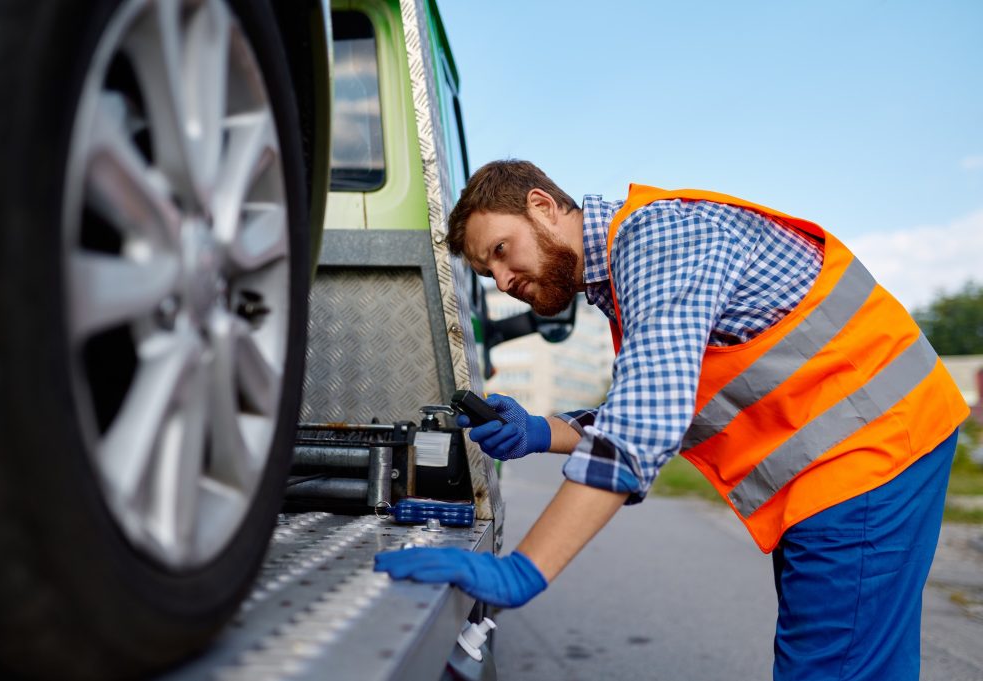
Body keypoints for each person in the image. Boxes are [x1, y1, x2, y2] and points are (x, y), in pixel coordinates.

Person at [374, 160, 969, 679]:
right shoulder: (628, 278)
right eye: (488, 274)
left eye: (501, 251)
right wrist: (539, 430)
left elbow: (644, 423)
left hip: (869, 450)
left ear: (542, 207)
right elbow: (675, 401)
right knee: (855, 657)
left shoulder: (659, 239)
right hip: (857, 451)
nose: (504, 282)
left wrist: (522, 571)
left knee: (831, 666)